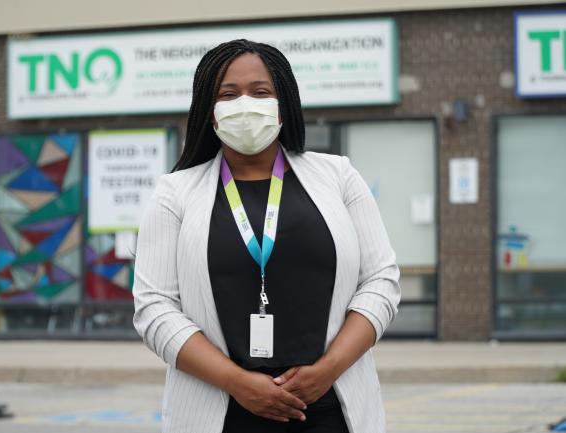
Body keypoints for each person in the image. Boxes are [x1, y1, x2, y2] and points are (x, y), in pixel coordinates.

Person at [132, 39, 401, 433]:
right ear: (210, 111)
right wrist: (237, 382)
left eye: (260, 92)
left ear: (283, 104)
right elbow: (154, 307)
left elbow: (381, 279)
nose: (245, 103)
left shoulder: (338, 177)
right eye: (228, 94)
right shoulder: (174, 194)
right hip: (220, 412)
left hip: (331, 411)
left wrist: (327, 370)